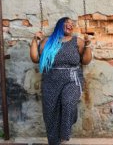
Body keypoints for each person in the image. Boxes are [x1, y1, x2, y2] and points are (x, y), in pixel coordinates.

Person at [30, 17, 92, 145]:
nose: (70, 25)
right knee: (50, 112)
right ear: (59, 25)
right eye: (67, 23)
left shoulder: (77, 41)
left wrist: (88, 45)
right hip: (50, 80)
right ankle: (54, 142)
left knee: (68, 102)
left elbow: (85, 61)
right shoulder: (48, 41)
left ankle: (64, 134)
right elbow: (35, 59)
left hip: (72, 79)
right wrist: (35, 41)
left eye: (72, 24)